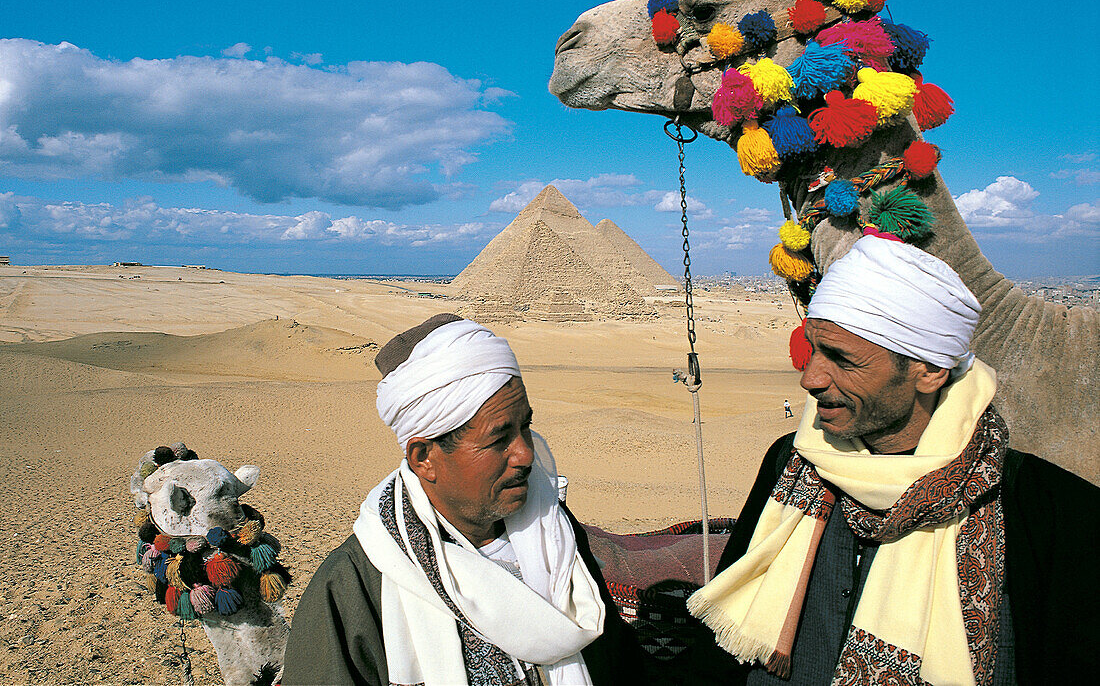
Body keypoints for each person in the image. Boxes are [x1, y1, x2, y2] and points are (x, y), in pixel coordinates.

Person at [685, 233, 1099, 685]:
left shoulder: (1045, 507)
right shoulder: (792, 462)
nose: (810, 378)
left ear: (930, 370)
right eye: (814, 350)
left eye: (843, 359)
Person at [282, 314, 644, 686]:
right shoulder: (352, 587)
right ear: (424, 458)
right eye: (498, 438)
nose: (525, 454)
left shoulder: (555, 532)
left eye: (525, 427)